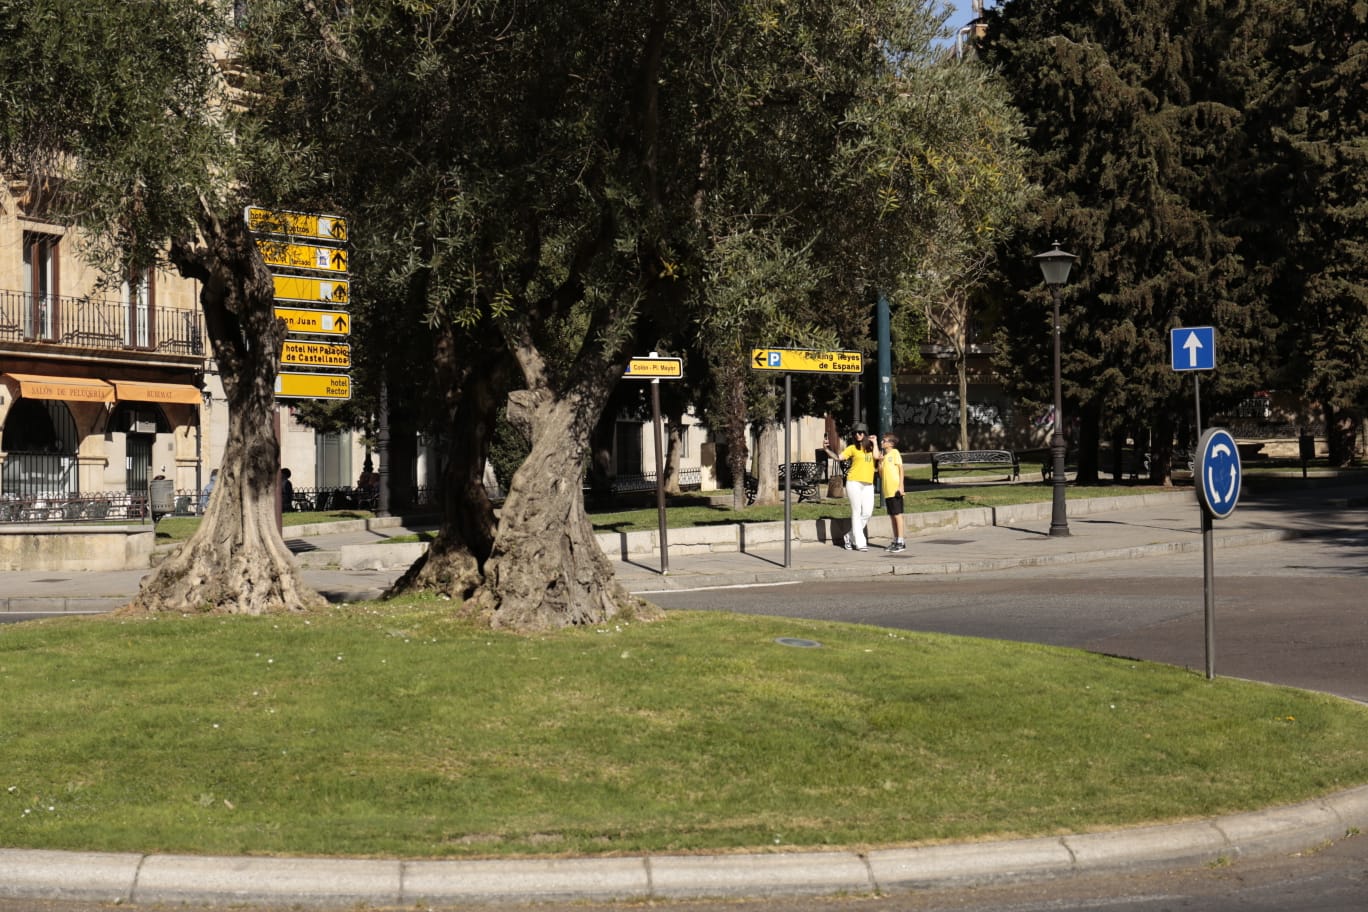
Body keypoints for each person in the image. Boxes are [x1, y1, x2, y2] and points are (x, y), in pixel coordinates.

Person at [826, 422, 878, 551]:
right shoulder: (852, 448)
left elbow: (877, 457)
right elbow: (838, 458)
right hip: (853, 482)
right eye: (855, 433)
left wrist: (875, 443)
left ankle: (849, 536)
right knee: (857, 511)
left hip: (868, 484)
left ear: (865, 434)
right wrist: (827, 449)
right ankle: (860, 543)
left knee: (867, 512)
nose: (857, 435)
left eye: (860, 433)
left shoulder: (872, 447)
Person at [880, 433, 906, 553]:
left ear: (891, 443)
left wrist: (901, 486)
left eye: (884, 441)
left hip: (895, 490)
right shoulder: (884, 457)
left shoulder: (895, 453)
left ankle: (901, 541)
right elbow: (881, 475)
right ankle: (895, 540)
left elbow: (901, 469)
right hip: (887, 491)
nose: (882, 442)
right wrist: (880, 463)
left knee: (898, 515)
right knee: (892, 516)